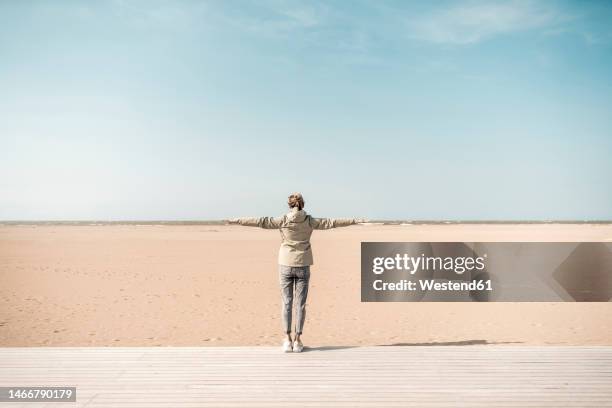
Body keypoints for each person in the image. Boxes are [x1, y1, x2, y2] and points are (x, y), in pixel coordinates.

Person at [228, 193, 362, 353]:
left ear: (290, 205)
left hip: (285, 263)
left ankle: (287, 339)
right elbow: (331, 223)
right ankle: (298, 340)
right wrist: (355, 220)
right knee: (300, 304)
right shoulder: (309, 220)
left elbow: (260, 221)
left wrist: (236, 220)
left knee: (286, 302)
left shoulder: (283, 220)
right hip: (303, 264)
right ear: (302, 204)